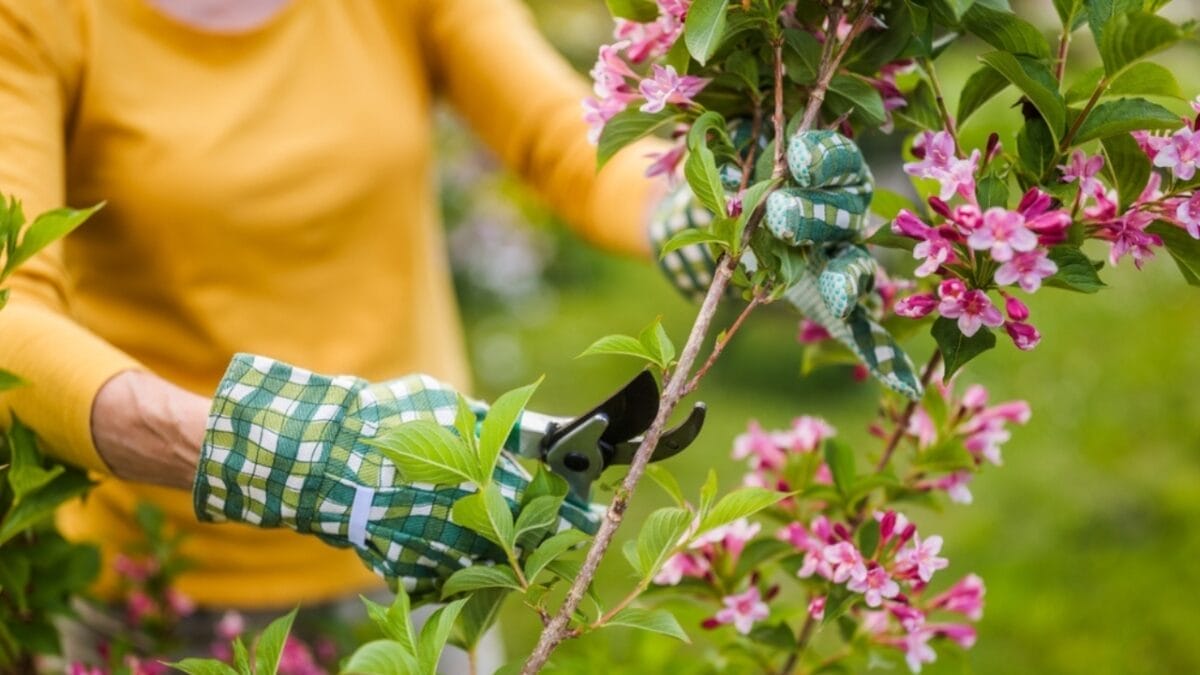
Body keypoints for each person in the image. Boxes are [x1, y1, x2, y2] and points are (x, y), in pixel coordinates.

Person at [0, 0, 916, 667]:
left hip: (430, 534)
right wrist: (284, 451)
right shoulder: (41, 17)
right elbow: (11, 314)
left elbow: (563, 137)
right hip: (160, 579)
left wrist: (699, 212)